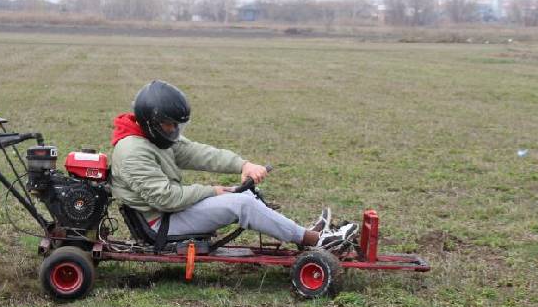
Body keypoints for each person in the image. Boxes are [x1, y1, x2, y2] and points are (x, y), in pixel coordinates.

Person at [110, 80, 357, 249]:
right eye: (170, 125)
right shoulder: (133, 151)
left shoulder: (151, 137)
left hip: (169, 213)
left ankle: (304, 234)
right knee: (242, 204)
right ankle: (317, 241)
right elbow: (165, 198)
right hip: (159, 224)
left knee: (245, 195)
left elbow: (198, 153)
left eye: (177, 125)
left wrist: (243, 165)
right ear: (152, 121)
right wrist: (212, 191)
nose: (174, 130)